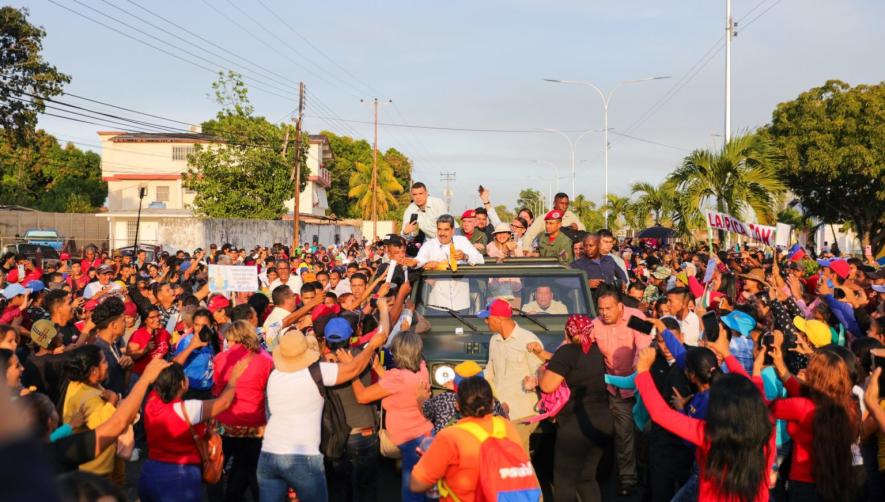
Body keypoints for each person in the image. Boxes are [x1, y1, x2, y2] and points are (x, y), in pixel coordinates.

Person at [257, 326, 388, 502]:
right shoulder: (315, 372)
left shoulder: (274, 376)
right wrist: (372, 346)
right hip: (302, 456)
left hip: (269, 456)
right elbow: (354, 368)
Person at [635, 344, 776, 502]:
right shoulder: (767, 430)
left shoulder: (710, 434)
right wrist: (733, 357)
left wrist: (643, 372)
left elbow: (661, 414)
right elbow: (756, 391)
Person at [138, 359, 249, 502]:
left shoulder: (152, 402)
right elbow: (224, 403)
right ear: (182, 384)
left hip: (150, 472)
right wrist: (234, 378)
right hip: (180, 478)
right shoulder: (189, 409)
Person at [410, 377, 536, 501]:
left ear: (457, 405)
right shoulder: (506, 426)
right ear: (492, 403)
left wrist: (430, 459)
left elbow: (416, 484)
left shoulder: (449, 436)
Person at [768, 336, 860, 501]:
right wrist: (781, 366)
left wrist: (753, 370)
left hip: (803, 485)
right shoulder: (850, 406)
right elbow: (800, 388)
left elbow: (756, 406)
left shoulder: (801, 407)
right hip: (837, 481)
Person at [350, 331, 433, 502]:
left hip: (410, 441)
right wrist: (379, 369)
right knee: (426, 489)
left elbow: (363, 396)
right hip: (425, 435)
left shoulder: (397, 378)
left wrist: (352, 372)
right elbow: (401, 384)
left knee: (412, 493)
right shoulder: (422, 368)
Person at [538, 315, 613, 502]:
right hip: (603, 422)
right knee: (587, 478)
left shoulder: (567, 352)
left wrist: (540, 374)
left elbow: (547, 385)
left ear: (567, 332)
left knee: (565, 480)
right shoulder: (597, 352)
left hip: (576, 424)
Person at [592, 290, 651, 495]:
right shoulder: (596, 324)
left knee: (644, 433)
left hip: (641, 388)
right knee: (623, 434)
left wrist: (637, 372)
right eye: (600, 309)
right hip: (616, 389)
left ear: (620, 307)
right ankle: (628, 479)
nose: (604, 313)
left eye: (608, 308)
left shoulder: (637, 317)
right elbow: (577, 344)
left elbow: (646, 347)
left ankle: (647, 474)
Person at [210, 320, 274, 502]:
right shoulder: (266, 359)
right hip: (254, 423)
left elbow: (216, 391)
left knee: (217, 468)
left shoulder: (221, 358)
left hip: (225, 422)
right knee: (253, 469)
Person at [482, 299, 543, 451]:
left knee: (517, 461)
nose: (485, 321)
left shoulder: (528, 340)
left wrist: (535, 381)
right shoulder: (494, 340)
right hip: (500, 413)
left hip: (522, 414)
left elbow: (542, 374)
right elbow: (490, 373)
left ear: (498, 319)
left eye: (487, 318)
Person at [59, 345, 120, 480]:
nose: (107, 364)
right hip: (96, 470)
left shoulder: (77, 384)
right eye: (104, 361)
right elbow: (103, 426)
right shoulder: (91, 397)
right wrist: (112, 401)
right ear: (93, 370)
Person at [415, 215, 484, 313]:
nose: (442, 233)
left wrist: (465, 256)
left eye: (446, 230)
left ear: (453, 231)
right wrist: (423, 264)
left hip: (461, 304)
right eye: (439, 229)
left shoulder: (462, 241)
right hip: (436, 305)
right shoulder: (429, 245)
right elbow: (419, 260)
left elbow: (480, 259)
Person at [521, 193, 586, 251]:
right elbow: (530, 235)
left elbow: (583, 230)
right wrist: (526, 251)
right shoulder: (544, 218)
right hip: (550, 252)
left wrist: (577, 227)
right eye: (561, 203)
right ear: (554, 203)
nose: (564, 207)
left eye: (566, 204)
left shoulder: (570, 215)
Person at [571, 234, 627, 299]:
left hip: (610, 299)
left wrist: (623, 282)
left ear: (599, 245)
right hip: (591, 302)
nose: (588, 249)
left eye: (591, 246)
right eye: (585, 246)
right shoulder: (576, 264)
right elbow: (567, 282)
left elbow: (621, 274)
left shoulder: (609, 259)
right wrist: (586, 284)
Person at [127, 305, 171, 379]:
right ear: (145, 320)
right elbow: (129, 357)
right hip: (141, 377)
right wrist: (146, 349)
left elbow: (171, 348)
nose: (157, 319)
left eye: (158, 316)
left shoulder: (164, 333)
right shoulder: (138, 334)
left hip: (160, 377)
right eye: (152, 317)